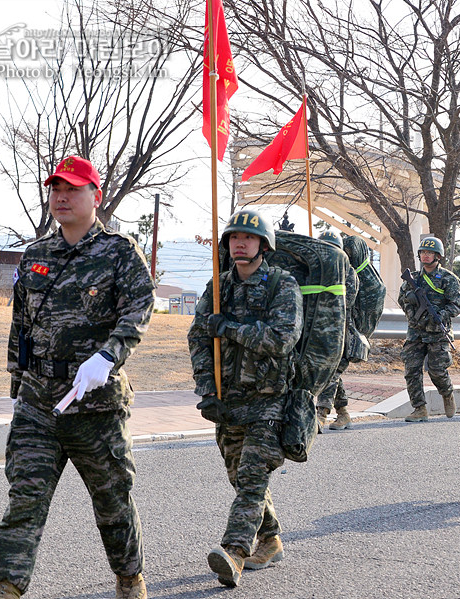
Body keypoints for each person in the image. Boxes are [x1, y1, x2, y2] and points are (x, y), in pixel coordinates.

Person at [0, 156, 155, 599]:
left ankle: (129, 577)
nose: (61, 197)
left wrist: (109, 355)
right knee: (24, 503)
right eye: (55, 189)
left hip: (96, 407)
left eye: (73, 189)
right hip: (37, 405)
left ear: (95, 196)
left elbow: (139, 311)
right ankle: (7, 588)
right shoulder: (36, 255)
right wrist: (18, 387)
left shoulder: (120, 251)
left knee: (113, 504)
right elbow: (21, 327)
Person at [188, 209, 303, 587]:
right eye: (234, 238)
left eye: (248, 238)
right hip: (228, 400)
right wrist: (207, 389)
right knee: (240, 477)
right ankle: (269, 539)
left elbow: (281, 339)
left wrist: (232, 329)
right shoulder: (218, 287)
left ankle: (234, 552)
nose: (239, 243)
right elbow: (199, 338)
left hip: (269, 400)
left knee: (252, 478)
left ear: (263, 245)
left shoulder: (282, 286)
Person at [398, 236, 460, 421]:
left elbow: (457, 305)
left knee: (437, 370)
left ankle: (447, 393)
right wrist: (412, 311)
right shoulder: (413, 278)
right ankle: (419, 408)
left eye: (430, 253)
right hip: (416, 331)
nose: (426, 256)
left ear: (438, 256)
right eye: (423, 252)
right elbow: (402, 299)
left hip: (437, 332)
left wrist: (439, 314)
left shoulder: (448, 279)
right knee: (411, 370)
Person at [316, 230, 359, 429]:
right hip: (317, 332)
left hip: (339, 333)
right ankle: (343, 413)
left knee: (331, 372)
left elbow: (345, 301)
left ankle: (320, 414)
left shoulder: (349, 273)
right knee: (333, 374)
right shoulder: (315, 270)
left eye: (331, 249)